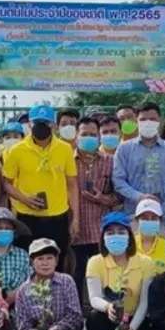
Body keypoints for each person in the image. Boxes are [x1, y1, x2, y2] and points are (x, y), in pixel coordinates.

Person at [1, 104, 80, 268]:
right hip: (27, 217)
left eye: (46, 122)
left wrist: (75, 219)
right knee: (29, 265)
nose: (41, 126)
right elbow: (6, 183)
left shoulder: (64, 149)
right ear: (30, 124)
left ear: (53, 125)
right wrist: (25, 199)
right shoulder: (16, 150)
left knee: (56, 265)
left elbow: (72, 185)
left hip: (58, 217)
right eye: (37, 122)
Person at [112, 102, 165, 239]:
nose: (148, 122)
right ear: (136, 121)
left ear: (160, 121)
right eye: (143, 119)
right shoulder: (124, 149)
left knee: (162, 259)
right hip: (133, 219)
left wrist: (161, 211)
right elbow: (118, 181)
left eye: (152, 119)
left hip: (164, 221)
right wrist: (139, 197)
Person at [85, 212, 155, 330]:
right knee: (94, 318)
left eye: (121, 232)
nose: (116, 237)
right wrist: (108, 306)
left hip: (136, 318)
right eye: (110, 233)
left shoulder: (146, 262)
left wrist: (131, 329)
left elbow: (144, 303)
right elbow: (94, 298)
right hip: (109, 317)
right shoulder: (95, 262)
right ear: (103, 238)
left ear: (129, 236)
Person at [73, 117, 120, 303]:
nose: (89, 138)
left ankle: (105, 311)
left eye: (93, 134)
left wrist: (104, 199)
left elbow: (119, 195)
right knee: (76, 274)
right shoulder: (67, 161)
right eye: (84, 134)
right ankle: (76, 313)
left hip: (101, 229)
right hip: (75, 229)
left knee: (103, 274)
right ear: (76, 136)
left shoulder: (110, 162)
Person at [13, 239, 83, 330]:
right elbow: (23, 325)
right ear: (31, 262)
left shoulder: (67, 281)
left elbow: (74, 315)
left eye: (49, 258)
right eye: (40, 259)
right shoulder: (23, 290)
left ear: (56, 261)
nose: (45, 263)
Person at [134, 199, 165, 275]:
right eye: (144, 218)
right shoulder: (129, 245)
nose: (149, 221)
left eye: (154, 218)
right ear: (137, 220)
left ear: (160, 221)